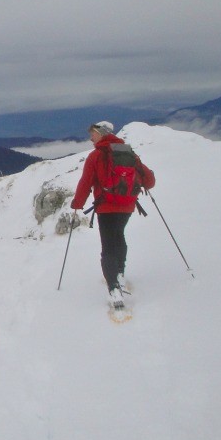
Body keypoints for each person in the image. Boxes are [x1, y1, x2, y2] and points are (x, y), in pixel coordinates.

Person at [70, 121, 156, 308]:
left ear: (101, 133)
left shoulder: (96, 156)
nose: (90, 137)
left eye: (93, 133)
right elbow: (149, 181)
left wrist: (77, 203)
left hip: (106, 206)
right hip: (127, 206)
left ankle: (114, 289)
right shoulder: (128, 153)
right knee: (119, 235)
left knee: (108, 244)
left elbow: (86, 182)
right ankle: (120, 273)